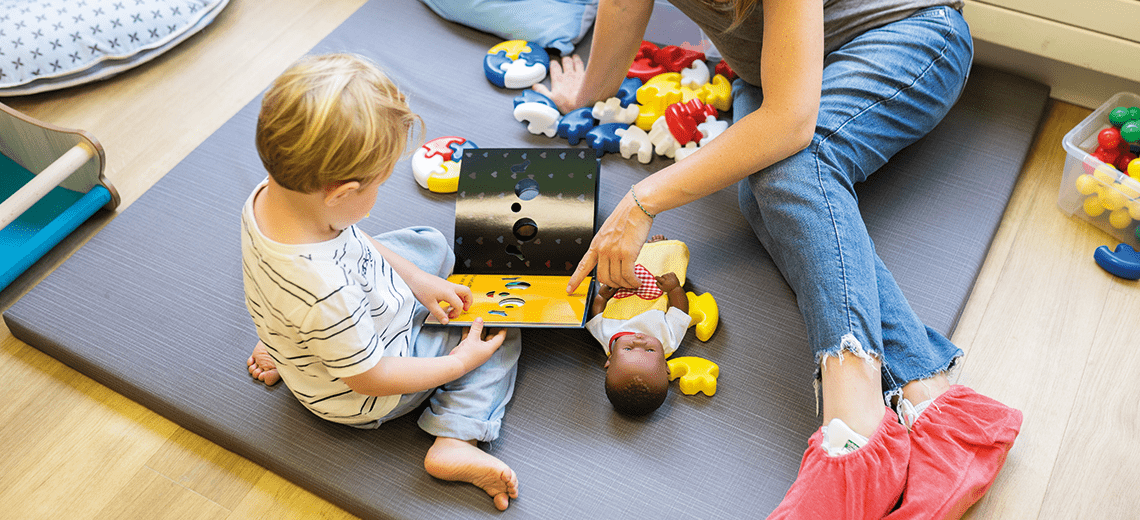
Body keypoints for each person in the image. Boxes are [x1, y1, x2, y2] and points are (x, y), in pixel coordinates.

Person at [539, 0, 1023, 517]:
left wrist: (641, 200)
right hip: (771, 71)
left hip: (902, 35)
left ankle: (856, 423)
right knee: (764, 194)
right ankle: (932, 400)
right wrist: (586, 98)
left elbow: (792, 125)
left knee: (794, 169)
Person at [241, 53, 520, 511]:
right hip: (363, 388)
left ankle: (286, 345)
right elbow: (371, 378)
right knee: (495, 332)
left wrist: (416, 280)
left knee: (426, 244)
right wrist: (459, 363)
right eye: (378, 184)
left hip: (317, 323)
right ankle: (456, 437)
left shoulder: (272, 195)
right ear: (341, 194)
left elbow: (351, 239)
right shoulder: (324, 290)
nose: (378, 194)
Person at [588, 264, 689, 415]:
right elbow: (680, 312)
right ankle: (658, 244)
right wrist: (674, 289)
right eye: (650, 350)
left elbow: (596, 316)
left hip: (622, 282)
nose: (640, 340)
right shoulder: (668, 341)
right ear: (665, 364)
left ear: (610, 359)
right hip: (656, 281)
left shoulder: (607, 337)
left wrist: (601, 297)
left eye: (628, 349)